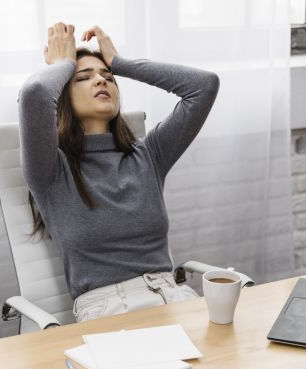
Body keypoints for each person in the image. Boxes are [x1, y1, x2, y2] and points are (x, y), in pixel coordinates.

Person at [18, 23, 220, 322]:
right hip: (108, 311)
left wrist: (120, 63)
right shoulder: (51, 170)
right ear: (61, 96)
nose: (101, 80)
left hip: (174, 297)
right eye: (83, 77)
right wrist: (63, 63)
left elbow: (204, 87)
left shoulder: (149, 155)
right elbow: (35, 93)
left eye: (108, 77)